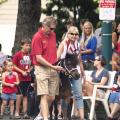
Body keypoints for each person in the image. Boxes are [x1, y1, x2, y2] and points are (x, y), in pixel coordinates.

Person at [31, 16, 64, 120]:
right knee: (44, 95)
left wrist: (56, 64)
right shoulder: (37, 37)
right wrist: (53, 66)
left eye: (54, 28)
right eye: (51, 28)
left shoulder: (53, 34)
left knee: (52, 97)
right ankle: (45, 118)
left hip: (53, 67)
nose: (53, 30)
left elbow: (53, 51)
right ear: (44, 25)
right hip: (41, 68)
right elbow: (38, 58)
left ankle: (41, 115)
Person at [57, 26, 85, 120]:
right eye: (72, 33)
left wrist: (83, 72)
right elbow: (57, 58)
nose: (74, 35)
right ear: (68, 34)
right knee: (66, 95)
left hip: (75, 71)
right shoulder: (63, 44)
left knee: (79, 94)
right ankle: (64, 116)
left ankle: (82, 117)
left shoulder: (78, 44)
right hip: (64, 71)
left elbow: (79, 59)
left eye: (76, 34)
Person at [13, 38, 32, 119]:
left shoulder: (30, 55)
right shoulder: (18, 54)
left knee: (25, 96)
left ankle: (25, 113)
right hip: (19, 79)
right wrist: (21, 71)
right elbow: (14, 65)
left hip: (27, 79)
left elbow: (32, 65)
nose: (28, 47)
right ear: (22, 45)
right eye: (26, 45)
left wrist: (28, 70)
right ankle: (16, 112)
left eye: (29, 45)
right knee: (19, 96)